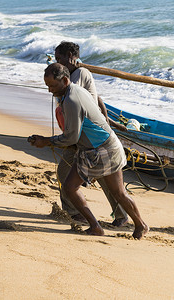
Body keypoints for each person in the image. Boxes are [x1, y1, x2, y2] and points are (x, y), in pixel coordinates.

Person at [29, 63, 148, 239]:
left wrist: (46, 141)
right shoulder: (75, 90)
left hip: (101, 150)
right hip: (107, 144)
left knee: (71, 187)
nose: (50, 91)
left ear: (65, 80)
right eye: (47, 86)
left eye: (53, 86)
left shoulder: (71, 100)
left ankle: (96, 227)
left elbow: (71, 138)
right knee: (118, 193)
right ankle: (140, 225)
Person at [54, 41, 128, 226]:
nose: (59, 63)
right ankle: (121, 215)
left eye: (60, 59)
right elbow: (98, 97)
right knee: (104, 177)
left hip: (86, 135)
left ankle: (75, 213)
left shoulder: (79, 74)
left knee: (65, 171)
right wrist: (106, 118)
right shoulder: (78, 73)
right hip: (87, 134)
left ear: (72, 55)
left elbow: (70, 94)